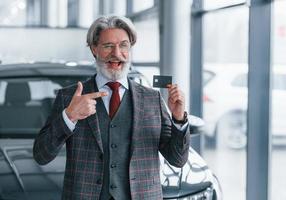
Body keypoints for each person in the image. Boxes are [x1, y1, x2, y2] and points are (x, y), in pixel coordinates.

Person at [33, 15, 190, 200]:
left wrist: (179, 118)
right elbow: (41, 155)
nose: (116, 53)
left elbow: (177, 159)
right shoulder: (69, 97)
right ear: (94, 49)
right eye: (108, 46)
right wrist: (69, 117)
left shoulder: (152, 98)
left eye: (123, 45)